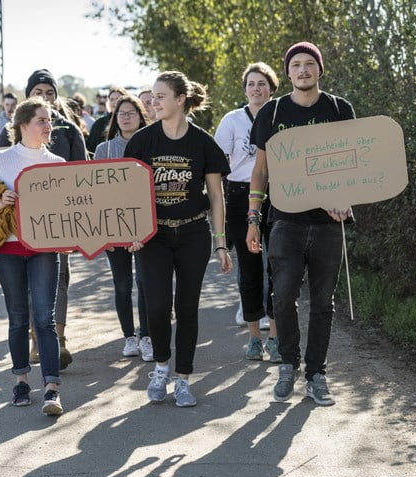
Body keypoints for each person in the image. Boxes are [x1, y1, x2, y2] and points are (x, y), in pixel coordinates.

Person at [246, 42, 355, 406]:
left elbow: (354, 165)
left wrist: (346, 198)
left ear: (320, 70)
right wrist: (252, 218)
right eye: (296, 65)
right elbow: (260, 170)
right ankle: (288, 366)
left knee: (323, 302)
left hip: (327, 224)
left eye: (310, 64)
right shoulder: (273, 111)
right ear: (288, 73)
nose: (303, 70)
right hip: (285, 221)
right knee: (283, 297)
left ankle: (317, 374)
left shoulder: (340, 109)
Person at [124, 71, 232, 407]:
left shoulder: (203, 143)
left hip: (192, 233)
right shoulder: (142, 141)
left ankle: (183, 378)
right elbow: (127, 193)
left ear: (180, 99)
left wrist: (220, 242)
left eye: (160, 96)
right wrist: (132, 231)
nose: (153, 102)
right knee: (156, 306)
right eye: (152, 97)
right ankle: (160, 366)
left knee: (187, 307)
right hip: (153, 236)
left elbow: (216, 196)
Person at [0, 97, 66, 416]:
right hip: (8, 250)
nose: (48, 125)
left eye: (49, 120)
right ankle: (22, 382)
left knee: (45, 319)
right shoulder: (0, 160)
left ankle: (52, 388)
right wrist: (0, 204)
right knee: (17, 317)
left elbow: (69, 211)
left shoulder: (57, 163)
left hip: (44, 251)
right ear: (23, 124)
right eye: (42, 119)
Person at [0, 69, 88, 370]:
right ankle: (37, 340)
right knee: (31, 287)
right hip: (20, 227)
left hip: (60, 222)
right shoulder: (10, 132)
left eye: (49, 92)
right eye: (38, 92)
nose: (44, 97)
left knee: (59, 281)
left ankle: (58, 340)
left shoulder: (69, 131)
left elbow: (83, 175)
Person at [214, 62, 281, 361]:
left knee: (279, 265)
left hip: (279, 193)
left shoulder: (282, 113)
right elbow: (216, 163)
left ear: (272, 87)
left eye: (262, 83)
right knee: (250, 267)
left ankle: (277, 336)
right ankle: (254, 337)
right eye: (251, 84)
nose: (257, 88)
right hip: (241, 194)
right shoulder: (232, 120)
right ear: (245, 89)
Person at [93, 95, 153, 361]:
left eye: (131, 112)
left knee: (145, 283)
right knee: (122, 284)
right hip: (114, 228)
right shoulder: (103, 150)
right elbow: (95, 193)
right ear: (115, 119)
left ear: (141, 116)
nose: (126, 116)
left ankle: (147, 336)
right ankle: (129, 336)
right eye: (121, 113)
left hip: (145, 228)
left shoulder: (153, 144)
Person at [86, 86, 128, 155]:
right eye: (112, 99)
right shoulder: (99, 123)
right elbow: (90, 148)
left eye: (118, 99)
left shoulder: (131, 122)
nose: (115, 102)